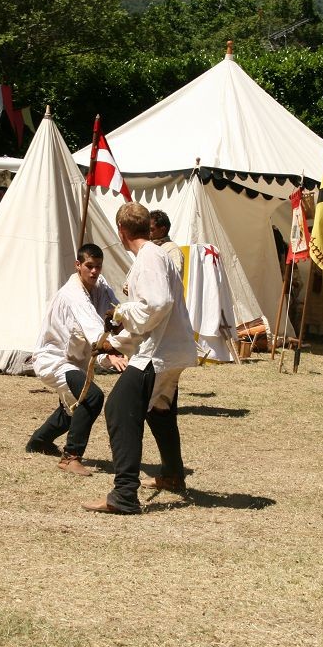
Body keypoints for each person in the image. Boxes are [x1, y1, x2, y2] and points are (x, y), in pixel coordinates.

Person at [82, 202, 197, 515]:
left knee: (119, 408)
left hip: (158, 354)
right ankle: (172, 475)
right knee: (159, 411)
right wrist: (115, 343)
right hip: (167, 349)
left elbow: (156, 305)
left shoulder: (149, 257)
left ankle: (124, 495)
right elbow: (153, 315)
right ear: (147, 226)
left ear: (121, 231)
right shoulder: (157, 255)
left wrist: (121, 311)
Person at [27, 243, 125, 476]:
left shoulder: (100, 286)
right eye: (89, 266)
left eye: (98, 266)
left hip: (76, 362)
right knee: (91, 397)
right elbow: (93, 328)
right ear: (78, 265)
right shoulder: (72, 295)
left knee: (72, 411)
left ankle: (38, 442)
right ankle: (70, 457)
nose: (94, 271)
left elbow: (116, 314)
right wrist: (111, 352)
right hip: (54, 360)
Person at [149, 209, 183, 274]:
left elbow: (176, 273)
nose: (148, 232)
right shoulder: (148, 246)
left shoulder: (172, 249)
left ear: (162, 230)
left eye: (151, 229)